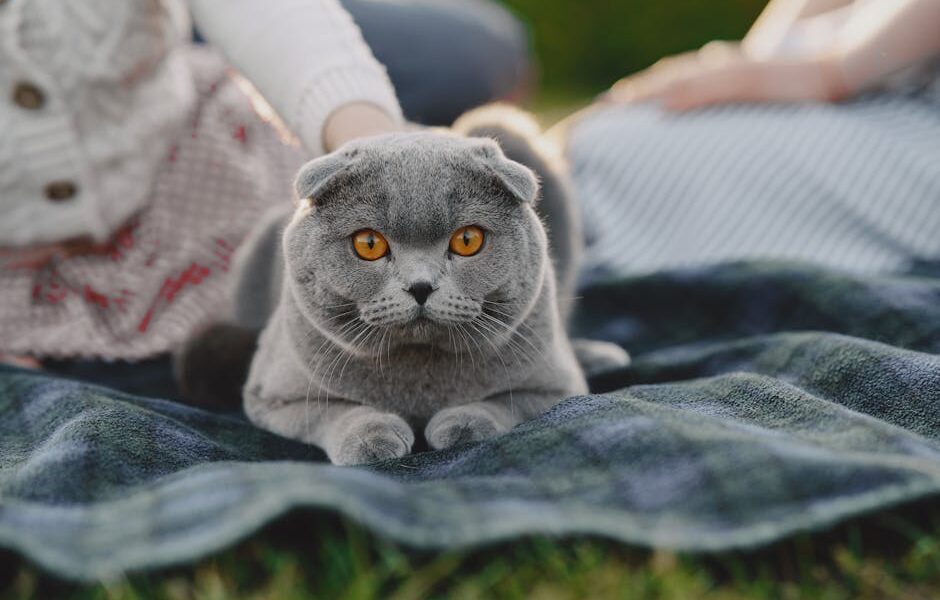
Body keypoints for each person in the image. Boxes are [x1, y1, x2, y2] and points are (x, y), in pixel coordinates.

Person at [0, 0, 529, 376]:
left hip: (187, 164)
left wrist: (376, 150)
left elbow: (277, 16)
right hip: (17, 260)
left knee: (478, 49)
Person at [562, 0, 940, 280]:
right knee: (605, 138)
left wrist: (827, 72)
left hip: (913, 130)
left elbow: (834, 72)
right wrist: (743, 63)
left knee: (610, 155)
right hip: (872, 88)